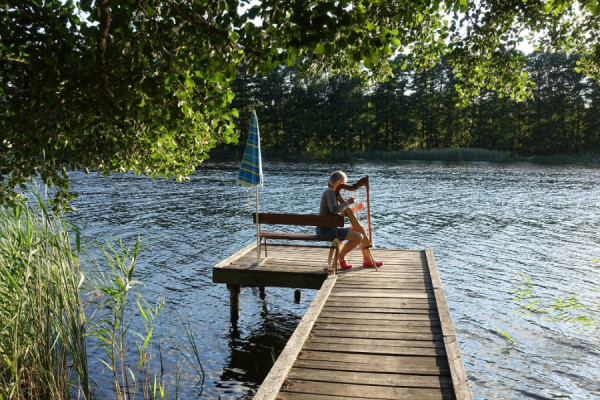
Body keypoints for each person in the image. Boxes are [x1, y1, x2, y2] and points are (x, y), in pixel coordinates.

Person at [316, 171, 383, 270]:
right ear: (338, 181)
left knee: (362, 229)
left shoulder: (333, 193)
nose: (344, 185)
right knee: (358, 237)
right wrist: (347, 202)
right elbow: (334, 210)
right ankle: (341, 257)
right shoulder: (329, 192)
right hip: (327, 230)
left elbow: (339, 213)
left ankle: (367, 259)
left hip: (331, 227)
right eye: (343, 182)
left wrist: (355, 209)